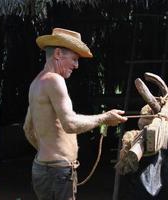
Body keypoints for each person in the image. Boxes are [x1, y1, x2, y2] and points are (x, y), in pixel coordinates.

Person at [23, 27, 127, 200]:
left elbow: (28, 128)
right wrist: (105, 118)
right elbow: (70, 124)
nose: (76, 65)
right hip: (58, 172)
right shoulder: (55, 80)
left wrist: (47, 153)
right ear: (58, 54)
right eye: (74, 59)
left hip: (41, 168)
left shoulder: (36, 83)